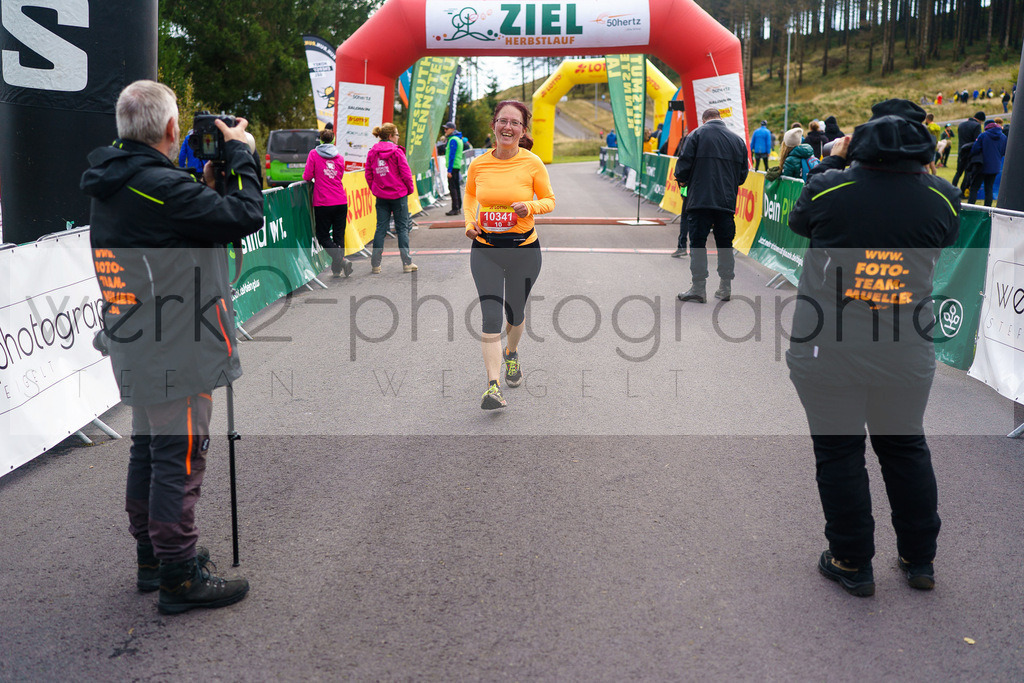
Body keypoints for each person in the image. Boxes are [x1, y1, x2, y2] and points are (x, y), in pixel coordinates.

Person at [81, 80, 263, 614]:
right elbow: (246, 215)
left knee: (150, 449)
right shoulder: (157, 186)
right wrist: (240, 154)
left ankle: (153, 557)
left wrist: (207, 185)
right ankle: (179, 576)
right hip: (175, 345)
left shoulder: (118, 179)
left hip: (138, 337)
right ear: (169, 128)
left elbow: (181, 229)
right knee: (179, 458)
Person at [787, 99, 959, 597]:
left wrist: (835, 160)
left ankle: (851, 560)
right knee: (905, 448)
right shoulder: (944, 198)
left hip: (828, 348)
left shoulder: (829, 187)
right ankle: (919, 558)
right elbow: (945, 234)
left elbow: (800, 221)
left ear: (858, 145)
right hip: (905, 349)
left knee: (839, 452)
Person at [463, 100, 555, 410]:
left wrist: (529, 206)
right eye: (503, 121)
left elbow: (549, 200)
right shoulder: (479, 164)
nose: (508, 127)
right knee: (491, 316)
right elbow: (470, 195)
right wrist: (469, 223)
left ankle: (511, 353)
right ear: (494, 125)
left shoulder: (532, 163)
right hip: (486, 250)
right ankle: (493, 386)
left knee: (515, 313)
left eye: (515, 123)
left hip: (524, 251)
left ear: (523, 130)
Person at [674, 108, 748, 304]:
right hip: (726, 202)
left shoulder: (695, 135)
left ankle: (698, 288)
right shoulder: (738, 141)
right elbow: (742, 176)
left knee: (698, 243)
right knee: (725, 244)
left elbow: (682, 169)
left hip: (700, 200)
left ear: (704, 119)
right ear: (720, 118)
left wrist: (683, 180)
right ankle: (725, 287)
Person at [365, 122, 417, 274]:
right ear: (390, 136)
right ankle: (407, 263)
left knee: (380, 228)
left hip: (381, 195)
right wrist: (409, 189)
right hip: (398, 194)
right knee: (402, 228)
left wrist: (375, 189)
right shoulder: (397, 152)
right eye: (397, 135)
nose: (398, 138)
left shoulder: (372, 152)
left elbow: (368, 174)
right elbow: (406, 173)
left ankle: (375, 265)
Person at [303, 128, 352, 277]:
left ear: (320, 139)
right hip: (340, 200)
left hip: (323, 202)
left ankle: (340, 261)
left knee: (322, 235)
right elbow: (340, 176)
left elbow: (307, 176)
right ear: (333, 140)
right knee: (339, 236)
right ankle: (337, 270)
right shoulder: (339, 157)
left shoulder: (314, 154)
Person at [967, 121, 1007, 206]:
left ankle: (970, 207)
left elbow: (975, 149)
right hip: (995, 166)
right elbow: (1004, 151)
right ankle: (987, 209)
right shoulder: (1003, 137)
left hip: (981, 165)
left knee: (974, 188)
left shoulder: (983, 135)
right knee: (989, 188)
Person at [952, 111, 985, 192]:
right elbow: (977, 140)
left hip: (961, 151)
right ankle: (963, 191)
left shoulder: (961, 124)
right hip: (970, 152)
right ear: (980, 120)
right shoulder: (976, 126)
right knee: (967, 173)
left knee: (958, 172)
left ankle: (952, 188)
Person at [443, 121, 466, 216]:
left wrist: (449, 170)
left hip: (453, 167)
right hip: (456, 166)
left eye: (446, 129)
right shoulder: (458, 139)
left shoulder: (453, 140)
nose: (445, 130)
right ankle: (458, 207)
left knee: (453, 188)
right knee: (456, 187)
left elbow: (452, 156)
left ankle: (455, 208)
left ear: (452, 129)